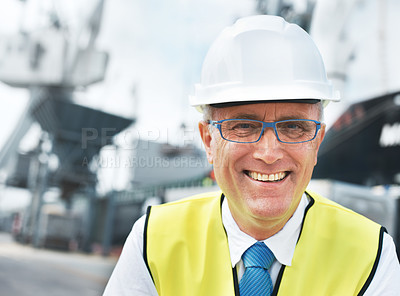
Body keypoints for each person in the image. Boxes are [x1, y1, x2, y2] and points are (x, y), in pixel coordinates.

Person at [103, 15, 400, 295]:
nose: (269, 153)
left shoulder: (371, 254)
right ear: (208, 140)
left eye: (294, 126)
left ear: (317, 141)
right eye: (244, 126)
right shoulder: (152, 241)